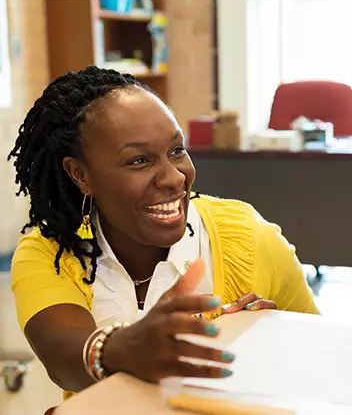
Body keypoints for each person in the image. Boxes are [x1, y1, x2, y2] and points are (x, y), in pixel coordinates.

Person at [8, 66, 318, 398]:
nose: (174, 178)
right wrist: (123, 349)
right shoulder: (50, 251)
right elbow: (62, 357)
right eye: (139, 161)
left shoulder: (249, 237)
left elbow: (320, 358)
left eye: (176, 151)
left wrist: (273, 340)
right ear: (80, 174)